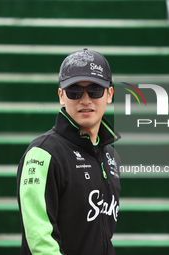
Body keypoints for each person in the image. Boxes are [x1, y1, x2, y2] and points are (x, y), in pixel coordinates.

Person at [17, 48, 121, 255]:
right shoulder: (42, 153)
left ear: (109, 94)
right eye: (74, 91)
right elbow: (40, 240)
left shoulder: (110, 156)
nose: (85, 99)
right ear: (61, 96)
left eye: (95, 90)